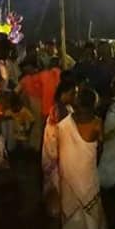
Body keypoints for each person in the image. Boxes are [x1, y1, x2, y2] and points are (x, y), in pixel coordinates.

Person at [58, 89, 107, 229]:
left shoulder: (66, 121)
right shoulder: (97, 121)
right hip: (87, 166)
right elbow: (100, 147)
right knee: (88, 194)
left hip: (68, 166)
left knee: (71, 194)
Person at [42, 79, 76, 218]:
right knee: (57, 181)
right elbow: (59, 132)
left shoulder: (65, 107)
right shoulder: (58, 109)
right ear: (64, 93)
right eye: (72, 93)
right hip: (56, 150)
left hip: (58, 149)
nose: (74, 96)